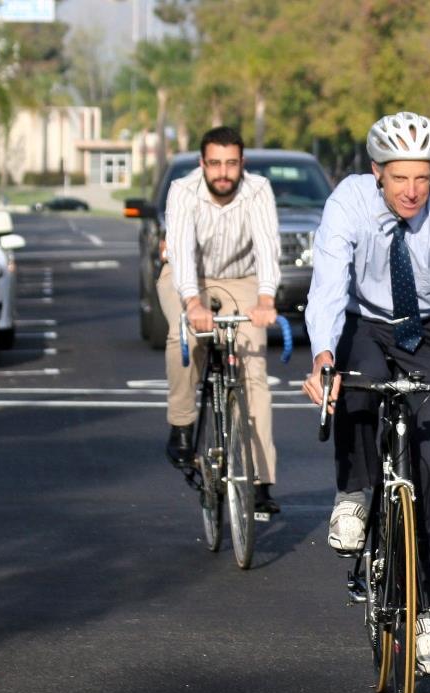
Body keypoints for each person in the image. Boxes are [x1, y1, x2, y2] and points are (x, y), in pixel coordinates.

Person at [302, 111, 430, 676]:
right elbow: (328, 284)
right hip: (363, 322)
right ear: (377, 173)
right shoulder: (348, 202)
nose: (412, 190)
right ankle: (354, 496)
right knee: (356, 385)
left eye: (423, 177)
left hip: (429, 330)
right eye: (399, 178)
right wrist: (322, 355)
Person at [161, 125, 283, 515]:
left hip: (242, 280)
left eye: (231, 163)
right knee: (185, 334)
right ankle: (181, 425)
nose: (223, 173)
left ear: (242, 164)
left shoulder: (259, 190)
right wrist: (193, 305)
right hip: (187, 276)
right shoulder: (183, 191)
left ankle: (261, 482)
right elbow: (179, 252)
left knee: (254, 372)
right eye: (214, 164)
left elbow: (268, 248)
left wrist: (266, 299)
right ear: (202, 164)